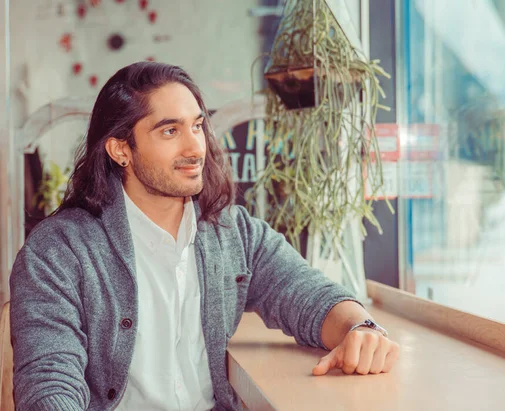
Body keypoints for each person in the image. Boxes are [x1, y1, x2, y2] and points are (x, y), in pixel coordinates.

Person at [9, 62, 400, 411]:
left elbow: (307, 295)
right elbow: (47, 381)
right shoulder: (57, 251)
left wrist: (360, 330)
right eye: (170, 131)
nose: (195, 146)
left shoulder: (233, 233)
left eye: (197, 125)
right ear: (120, 149)